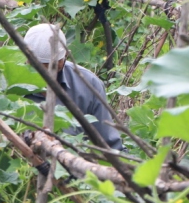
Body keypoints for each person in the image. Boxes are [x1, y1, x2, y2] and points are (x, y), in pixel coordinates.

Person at [23, 23, 124, 151]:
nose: (46, 76)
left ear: (66, 56)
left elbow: (109, 145)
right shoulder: (7, 83)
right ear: (26, 60)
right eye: (38, 68)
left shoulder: (89, 85)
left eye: (53, 67)